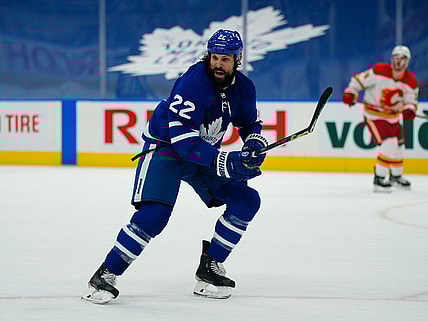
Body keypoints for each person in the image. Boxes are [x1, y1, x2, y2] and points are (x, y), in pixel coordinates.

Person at [82, 29, 268, 304]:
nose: (218, 63)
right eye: (215, 57)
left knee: (246, 199)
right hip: (166, 148)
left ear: (237, 60)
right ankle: (106, 273)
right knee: (154, 215)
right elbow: (182, 140)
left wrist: (253, 144)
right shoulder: (193, 83)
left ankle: (210, 268)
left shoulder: (243, 88)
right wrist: (227, 162)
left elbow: (250, 122)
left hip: (202, 152)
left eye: (225, 59)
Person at [343, 45, 419, 193]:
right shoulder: (379, 71)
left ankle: (395, 176)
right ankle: (379, 179)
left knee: (399, 145)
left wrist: (409, 110)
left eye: (403, 59)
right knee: (389, 143)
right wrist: (351, 92)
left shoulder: (411, 82)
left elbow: (411, 101)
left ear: (408, 62)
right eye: (396, 58)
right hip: (374, 115)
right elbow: (358, 81)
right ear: (392, 59)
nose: (399, 62)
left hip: (393, 117)